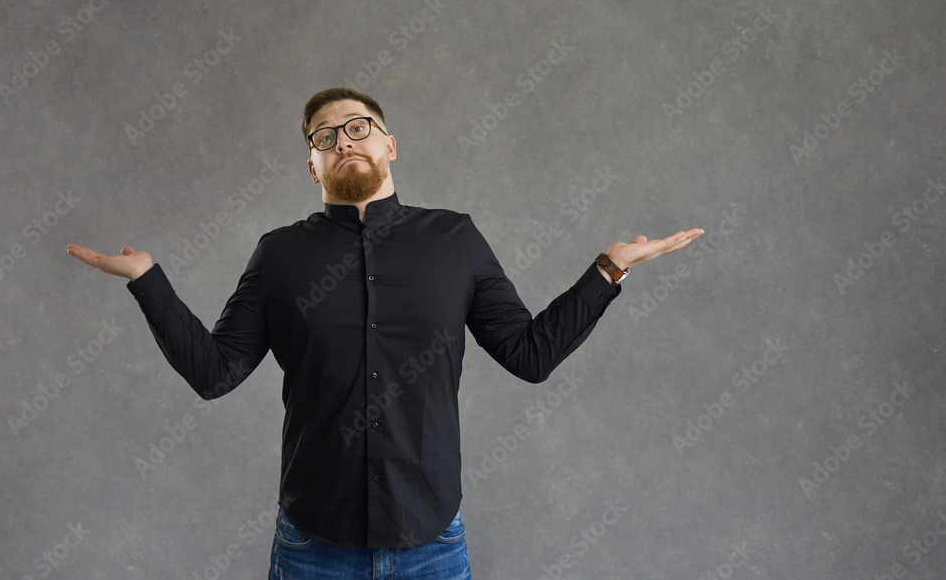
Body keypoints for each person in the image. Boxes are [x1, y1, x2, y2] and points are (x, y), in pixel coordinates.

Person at [68, 87, 703, 579]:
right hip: (313, 546)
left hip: (432, 545)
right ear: (312, 166)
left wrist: (608, 270)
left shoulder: (455, 239)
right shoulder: (279, 254)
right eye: (324, 137)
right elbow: (216, 372)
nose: (343, 140)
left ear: (389, 144)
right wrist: (147, 280)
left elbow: (528, 355)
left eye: (358, 127)